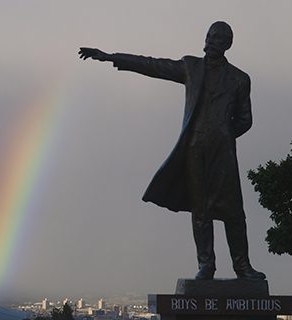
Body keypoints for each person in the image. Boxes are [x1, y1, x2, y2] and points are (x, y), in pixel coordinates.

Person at [78, 21, 265, 280]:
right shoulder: (191, 67)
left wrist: (223, 133)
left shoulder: (240, 79)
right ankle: (206, 265)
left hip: (223, 153)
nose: (211, 41)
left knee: (234, 211)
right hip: (193, 149)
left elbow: (245, 119)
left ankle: (242, 266)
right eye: (209, 36)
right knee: (200, 211)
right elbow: (154, 65)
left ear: (228, 44)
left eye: (218, 38)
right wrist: (111, 56)